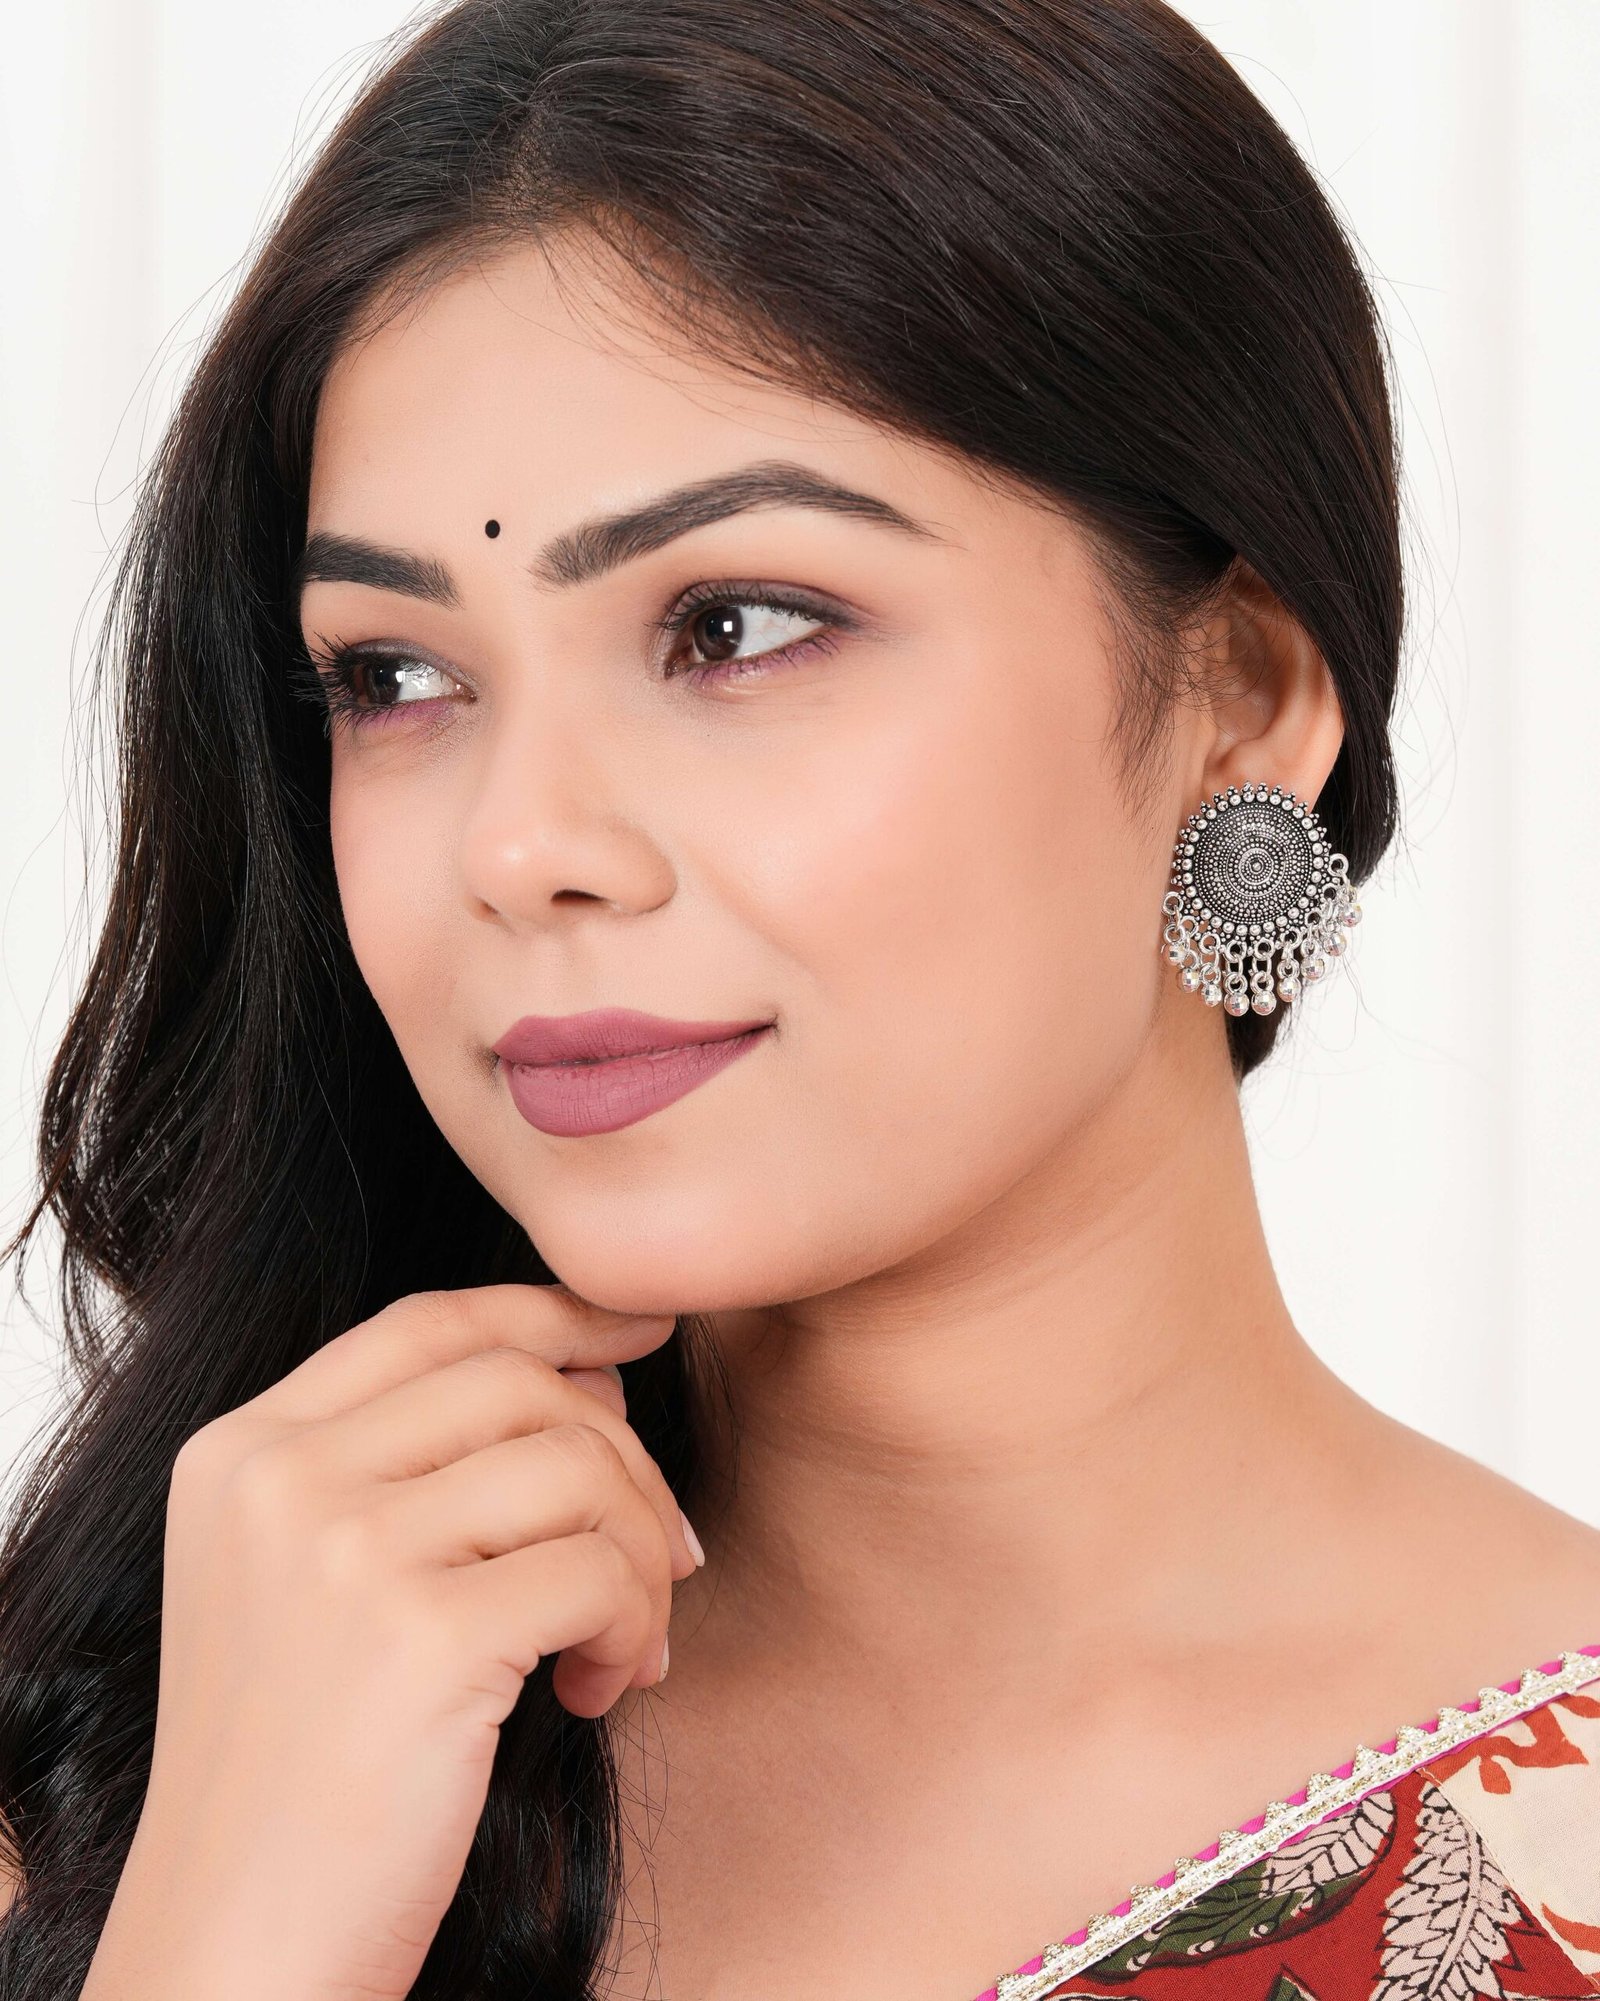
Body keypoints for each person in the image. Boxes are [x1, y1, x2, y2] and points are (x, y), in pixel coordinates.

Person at [1, 0, 1596, 1996]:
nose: (520, 842)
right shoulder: (121, 1780)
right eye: (395, 676)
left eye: (736, 627)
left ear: (1243, 694)